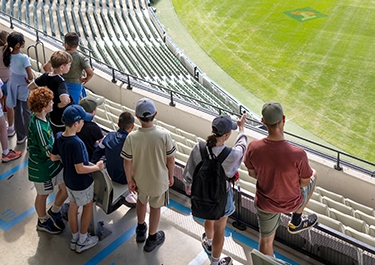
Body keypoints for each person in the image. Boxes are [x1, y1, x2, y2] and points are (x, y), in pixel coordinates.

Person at [244, 102, 318, 257]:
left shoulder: (253, 147)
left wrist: (269, 177)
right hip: (292, 202)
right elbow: (305, 182)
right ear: (283, 119)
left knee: (265, 242)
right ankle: (296, 218)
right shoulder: (298, 154)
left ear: (263, 122)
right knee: (314, 174)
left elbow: (252, 173)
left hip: (265, 203)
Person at [184, 114, 247, 265]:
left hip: (203, 194)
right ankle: (215, 261)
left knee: (208, 218)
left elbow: (189, 170)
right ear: (226, 135)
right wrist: (241, 128)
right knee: (220, 229)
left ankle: (208, 241)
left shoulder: (198, 147)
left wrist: (188, 187)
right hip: (222, 199)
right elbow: (242, 147)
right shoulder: (231, 155)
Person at [122, 98, 176, 253]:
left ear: (137, 117)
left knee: (141, 201)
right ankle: (152, 238)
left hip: (139, 180)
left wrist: (129, 179)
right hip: (159, 182)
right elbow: (171, 160)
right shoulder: (164, 135)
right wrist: (171, 176)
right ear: (155, 114)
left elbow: (127, 162)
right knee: (155, 208)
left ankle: (140, 229)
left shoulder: (131, 136)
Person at [51, 105, 104, 254]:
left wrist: (66, 158)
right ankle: (82, 240)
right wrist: (97, 167)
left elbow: (54, 156)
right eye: (82, 122)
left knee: (73, 206)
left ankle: (74, 238)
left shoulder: (60, 136)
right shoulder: (77, 143)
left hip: (68, 180)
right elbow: (80, 168)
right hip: (82, 183)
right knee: (87, 206)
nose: (83, 124)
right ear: (76, 123)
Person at [27, 87, 69, 234]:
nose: (53, 103)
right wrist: (66, 157)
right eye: (50, 102)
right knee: (43, 194)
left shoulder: (41, 117)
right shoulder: (39, 127)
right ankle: (42, 220)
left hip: (53, 165)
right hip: (42, 168)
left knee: (65, 189)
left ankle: (54, 211)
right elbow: (50, 154)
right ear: (44, 107)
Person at [91, 111, 136, 204]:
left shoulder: (109, 136)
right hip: (124, 179)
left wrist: (93, 168)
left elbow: (98, 151)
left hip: (109, 175)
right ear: (132, 127)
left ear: (118, 124)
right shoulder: (132, 142)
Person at [29, 51, 72, 135]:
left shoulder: (46, 76)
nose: (70, 67)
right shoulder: (60, 81)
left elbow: (30, 86)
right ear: (62, 67)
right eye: (69, 65)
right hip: (60, 116)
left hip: (50, 113)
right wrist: (57, 105)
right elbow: (65, 100)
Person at [3, 32, 33, 145]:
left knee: (17, 112)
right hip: (23, 86)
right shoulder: (23, 58)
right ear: (17, 45)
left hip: (13, 84)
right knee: (26, 112)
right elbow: (30, 76)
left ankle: (20, 136)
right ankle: (30, 136)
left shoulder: (8, 55)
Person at [60, 32, 94, 105]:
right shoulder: (81, 57)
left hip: (60, 83)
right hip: (75, 85)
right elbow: (90, 73)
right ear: (77, 44)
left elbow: (46, 67)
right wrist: (86, 79)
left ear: (66, 44)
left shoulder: (59, 55)